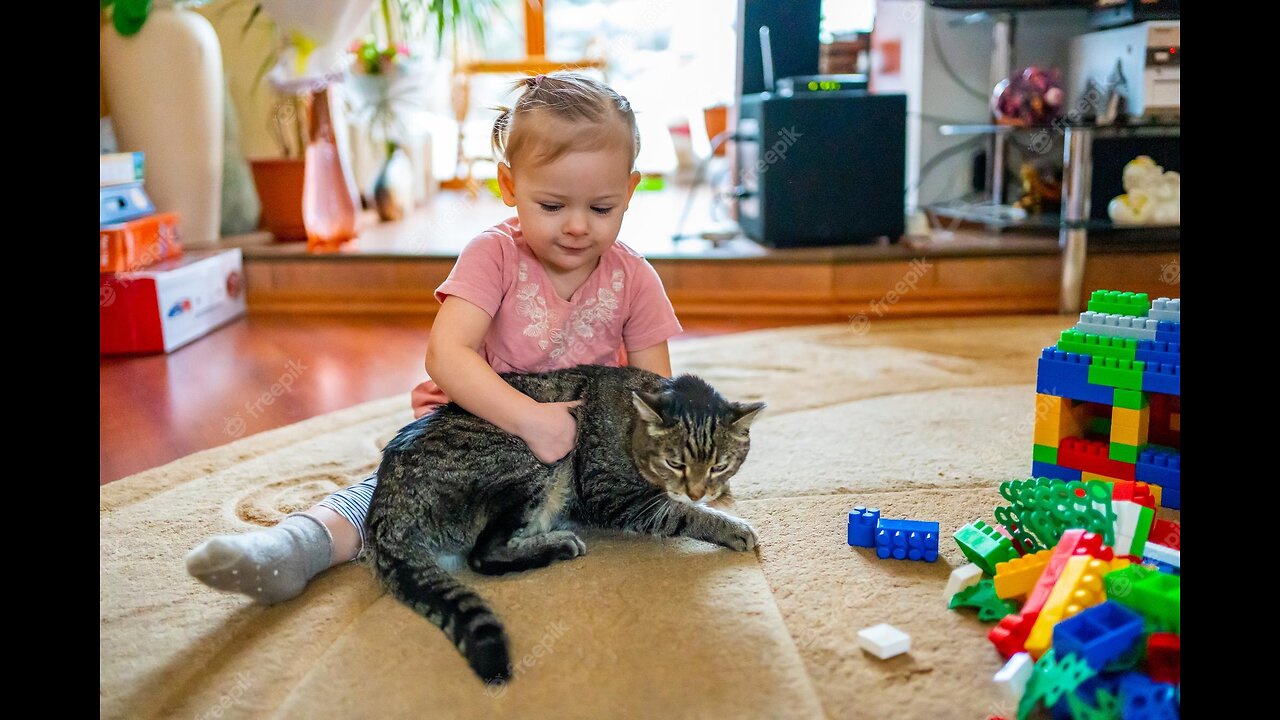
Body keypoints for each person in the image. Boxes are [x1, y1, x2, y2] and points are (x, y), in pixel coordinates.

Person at [185, 71, 683, 604]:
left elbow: (656, 392)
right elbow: (447, 355)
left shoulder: (635, 278)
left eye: (601, 208)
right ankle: (298, 545)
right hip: (483, 420)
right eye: (553, 206)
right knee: (397, 491)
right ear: (510, 186)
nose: (578, 227)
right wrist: (531, 420)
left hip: (577, 449)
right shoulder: (492, 256)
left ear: (629, 191)